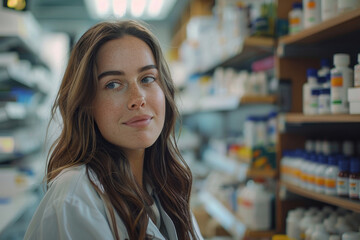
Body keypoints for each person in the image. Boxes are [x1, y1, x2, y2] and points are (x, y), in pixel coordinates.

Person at [24, 20, 203, 240]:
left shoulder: (165, 186)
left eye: (147, 78)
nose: (138, 99)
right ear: (86, 103)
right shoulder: (75, 197)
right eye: (113, 84)